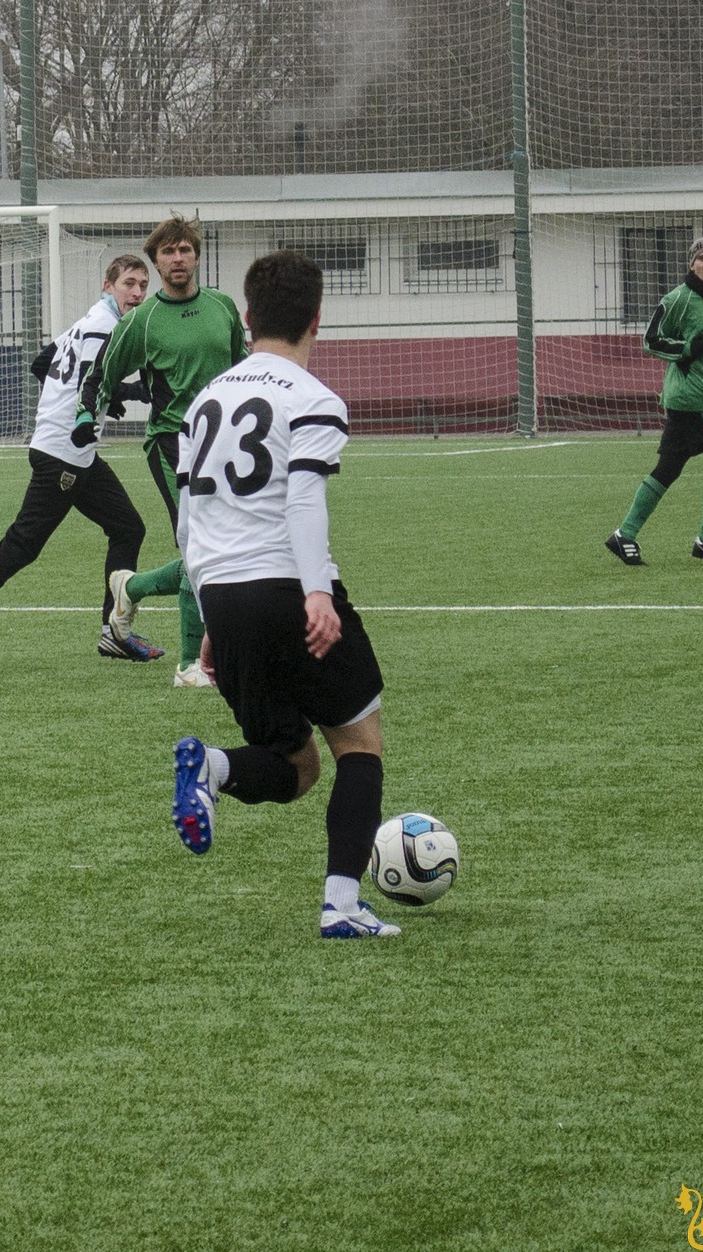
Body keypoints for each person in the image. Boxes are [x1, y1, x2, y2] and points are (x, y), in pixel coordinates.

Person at [168, 250, 399, 940]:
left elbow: (189, 521)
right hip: (289, 588)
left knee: (296, 766)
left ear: (246, 317)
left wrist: (211, 616)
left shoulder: (205, 401)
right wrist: (317, 593)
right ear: (316, 320)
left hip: (224, 595)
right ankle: (342, 906)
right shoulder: (312, 398)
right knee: (359, 744)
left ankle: (213, 767)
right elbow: (302, 500)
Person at [0, 256, 162, 669]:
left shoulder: (86, 322)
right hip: (64, 455)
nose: (138, 293)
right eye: (129, 283)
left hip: (72, 453)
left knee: (127, 528)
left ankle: (114, 633)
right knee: (22, 546)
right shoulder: (105, 326)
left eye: (143, 285)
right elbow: (89, 381)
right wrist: (133, 392)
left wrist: (101, 400)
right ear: (108, 286)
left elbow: (41, 364)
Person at [77, 215, 247, 687]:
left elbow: (243, 368)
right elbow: (101, 374)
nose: (177, 258)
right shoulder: (142, 320)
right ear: (156, 261)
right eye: (168, 252)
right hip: (173, 444)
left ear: (197, 255)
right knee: (197, 547)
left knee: (224, 549)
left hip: (224, 444)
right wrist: (85, 416)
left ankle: (130, 587)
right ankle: (190, 665)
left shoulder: (222, 306)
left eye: (184, 249)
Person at [605, 236, 703, 566]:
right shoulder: (678, 298)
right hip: (689, 398)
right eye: (702, 258)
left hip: (702, 395)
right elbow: (650, 341)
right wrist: (685, 350)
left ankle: (626, 534)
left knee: (669, 469)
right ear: (691, 264)